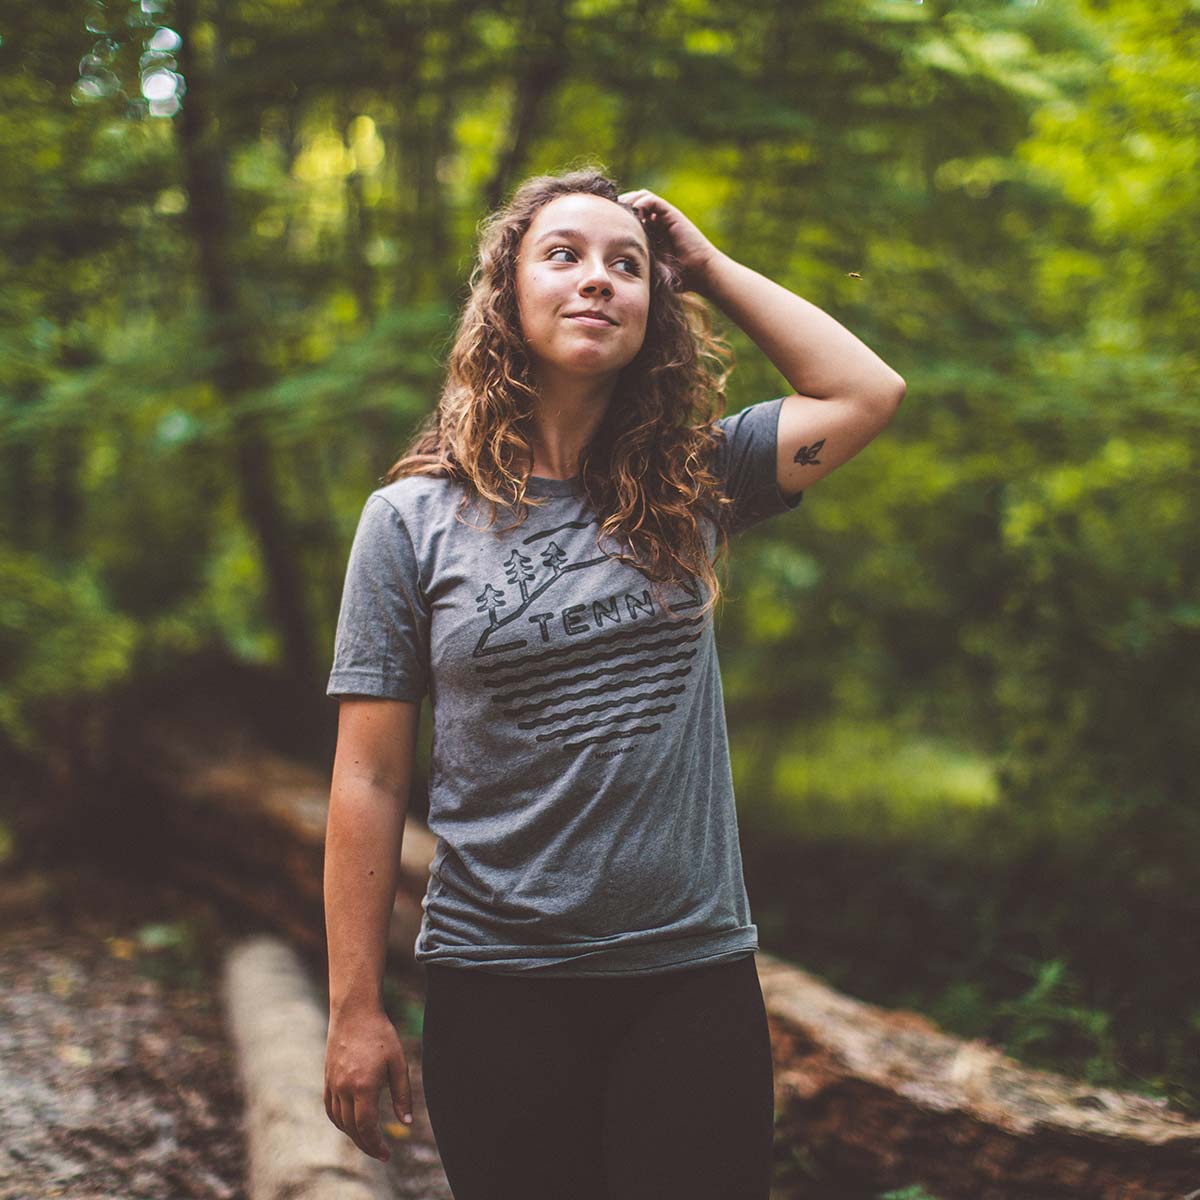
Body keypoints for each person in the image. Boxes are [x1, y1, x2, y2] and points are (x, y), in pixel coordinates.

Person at [322, 166, 905, 1199]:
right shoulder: (410, 523)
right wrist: (353, 1008)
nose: (598, 280)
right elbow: (368, 780)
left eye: (626, 266)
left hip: (687, 979)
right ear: (505, 296)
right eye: (565, 255)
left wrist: (709, 266)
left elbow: (866, 393)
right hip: (496, 984)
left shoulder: (698, 482)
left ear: (654, 307)